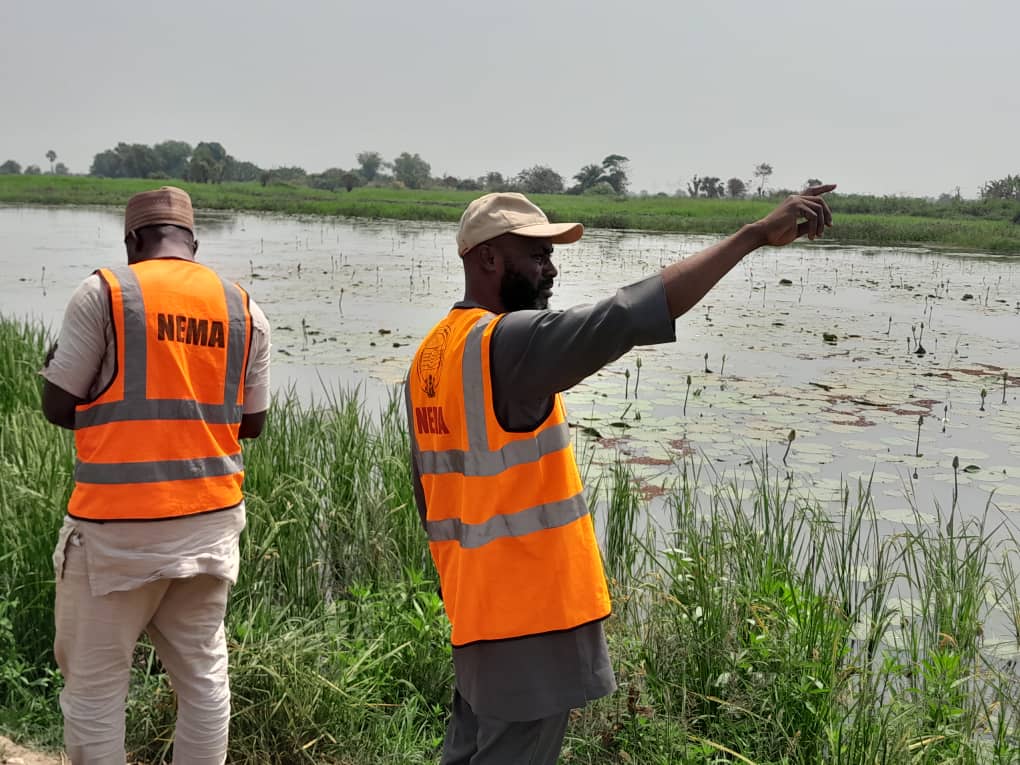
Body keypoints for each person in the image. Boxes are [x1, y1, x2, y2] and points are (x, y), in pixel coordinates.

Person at [406, 186, 835, 763]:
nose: (550, 269)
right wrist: (753, 235)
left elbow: (430, 496)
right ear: (487, 258)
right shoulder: (507, 345)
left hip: (476, 614)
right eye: (536, 255)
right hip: (525, 620)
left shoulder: (432, 356)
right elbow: (626, 316)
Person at [40, 186, 272, 764]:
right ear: (193, 241)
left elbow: (58, 406)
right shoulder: (243, 307)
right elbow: (253, 422)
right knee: (203, 680)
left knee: (95, 691)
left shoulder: (106, 293)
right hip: (210, 524)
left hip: (117, 533)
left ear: (133, 240)